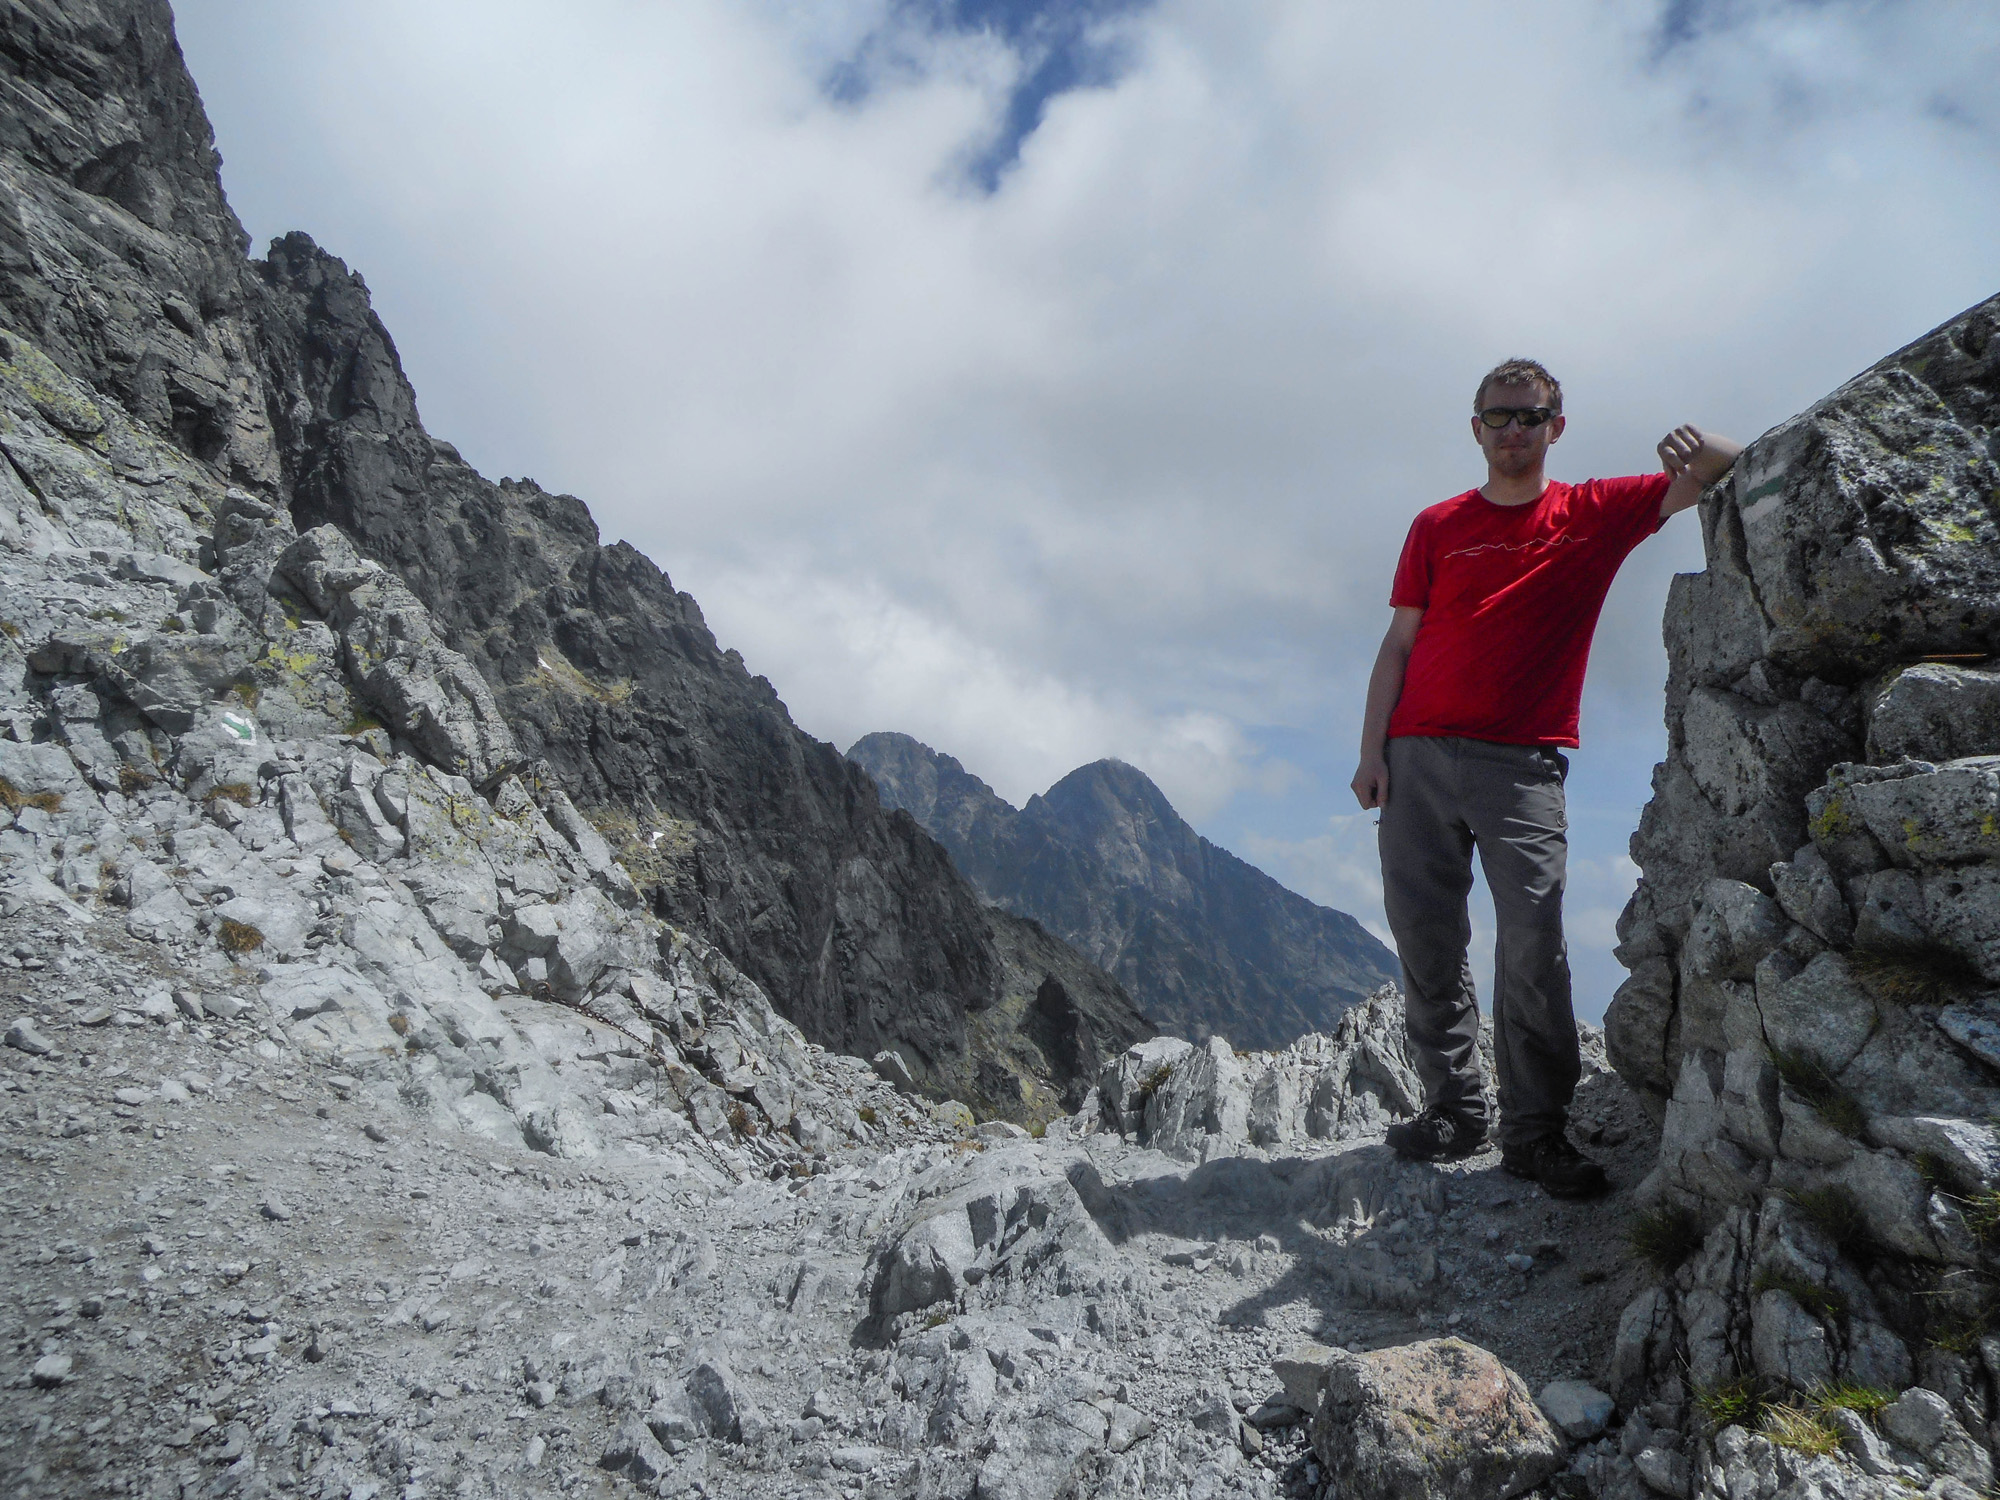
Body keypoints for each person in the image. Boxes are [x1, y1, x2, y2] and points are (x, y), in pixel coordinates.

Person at [1350, 358, 1741, 1198]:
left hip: (1521, 762)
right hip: (1415, 753)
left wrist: (1702, 444)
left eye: (1531, 417)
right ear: (1477, 428)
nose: (1514, 431)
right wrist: (1371, 751)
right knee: (1427, 939)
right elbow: (1398, 645)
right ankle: (1455, 1110)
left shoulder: (1592, 513)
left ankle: (1535, 1132)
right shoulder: (1436, 525)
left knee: (1533, 944)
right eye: (1500, 417)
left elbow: (1729, 471)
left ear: (1556, 427)